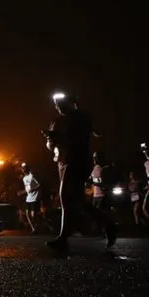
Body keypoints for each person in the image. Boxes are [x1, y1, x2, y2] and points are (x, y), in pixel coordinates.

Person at [43, 92, 116, 249]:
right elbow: (50, 146)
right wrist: (51, 139)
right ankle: (107, 223)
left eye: (61, 104)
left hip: (77, 161)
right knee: (76, 202)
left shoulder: (80, 118)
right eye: (56, 105)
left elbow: (97, 132)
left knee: (65, 198)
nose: (59, 107)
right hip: (62, 163)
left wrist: (81, 113)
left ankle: (63, 238)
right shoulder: (57, 121)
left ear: (70, 103)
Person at [20, 162, 41, 234]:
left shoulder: (32, 176)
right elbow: (27, 188)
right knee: (27, 213)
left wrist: (33, 189)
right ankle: (34, 229)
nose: (23, 169)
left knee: (33, 215)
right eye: (22, 168)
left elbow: (39, 185)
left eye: (24, 168)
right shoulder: (24, 178)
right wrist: (22, 192)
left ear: (28, 168)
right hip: (28, 198)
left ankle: (41, 225)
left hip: (35, 197)